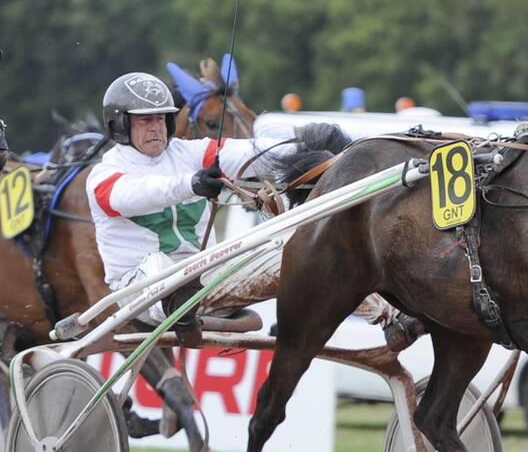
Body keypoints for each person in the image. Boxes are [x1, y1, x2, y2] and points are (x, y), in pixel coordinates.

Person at [87, 72, 422, 348]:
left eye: (161, 119)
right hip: (137, 290)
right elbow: (134, 195)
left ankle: (392, 320)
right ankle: (177, 307)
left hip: (200, 276)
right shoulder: (105, 175)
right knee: (164, 272)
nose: (156, 128)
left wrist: (304, 141)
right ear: (119, 125)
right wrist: (191, 184)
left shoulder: (190, 153)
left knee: (307, 249)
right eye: (145, 121)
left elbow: (252, 152)